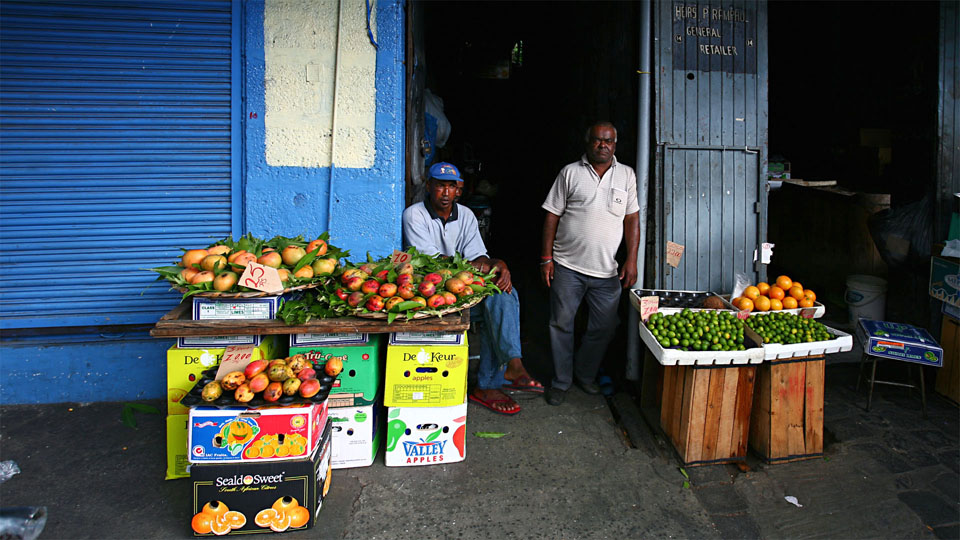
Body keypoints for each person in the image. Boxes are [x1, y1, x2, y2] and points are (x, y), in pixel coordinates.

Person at [402, 161, 543, 415]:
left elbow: (478, 256)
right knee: (494, 308)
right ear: (429, 187)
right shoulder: (415, 214)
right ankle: (493, 381)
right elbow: (432, 264)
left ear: (459, 190)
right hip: (429, 297)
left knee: (502, 293)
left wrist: (497, 264)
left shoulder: (465, 215)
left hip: (462, 292)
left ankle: (511, 365)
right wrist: (480, 267)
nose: (445, 193)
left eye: (451, 187)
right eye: (440, 186)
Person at [539, 122, 640, 406]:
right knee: (561, 324)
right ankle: (561, 381)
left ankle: (584, 374)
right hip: (567, 266)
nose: (602, 146)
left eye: (608, 141)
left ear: (615, 145)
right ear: (588, 142)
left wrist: (631, 259)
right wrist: (546, 259)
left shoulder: (627, 175)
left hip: (607, 271)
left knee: (605, 326)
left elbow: (632, 219)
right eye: (597, 140)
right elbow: (551, 216)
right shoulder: (570, 173)